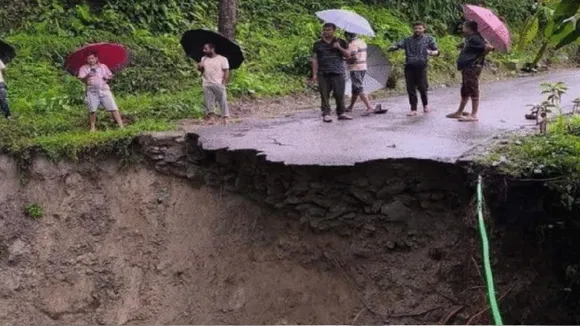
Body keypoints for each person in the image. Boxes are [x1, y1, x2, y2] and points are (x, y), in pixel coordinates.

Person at [446, 21, 494, 122]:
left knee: (473, 89)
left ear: (469, 28)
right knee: (465, 89)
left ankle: (473, 114)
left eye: (463, 27)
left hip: (472, 67)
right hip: (466, 67)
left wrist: (479, 57)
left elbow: (489, 47)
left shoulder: (476, 38)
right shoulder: (471, 38)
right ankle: (459, 111)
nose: (462, 29)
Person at [388, 22, 439, 116]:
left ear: (424, 29)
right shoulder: (407, 40)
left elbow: (436, 51)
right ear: (413, 29)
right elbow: (398, 45)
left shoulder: (429, 39)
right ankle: (413, 108)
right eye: (416, 28)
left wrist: (431, 53)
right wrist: (392, 47)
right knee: (410, 88)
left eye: (420, 28)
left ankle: (425, 105)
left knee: (422, 87)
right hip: (409, 66)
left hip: (421, 66)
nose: (417, 30)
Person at [311, 23, 353, 123]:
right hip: (323, 73)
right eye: (325, 30)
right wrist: (314, 74)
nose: (326, 32)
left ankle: (341, 113)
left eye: (329, 30)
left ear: (334, 31)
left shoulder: (341, 42)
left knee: (339, 94)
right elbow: (314, 59)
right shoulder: (317, 44)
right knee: (324, 95)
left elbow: (348, 55)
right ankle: (326, 114)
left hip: (338, 72)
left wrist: (339, 47)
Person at [78, 51, 124, 132]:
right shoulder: (84, 68)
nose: (90, 60)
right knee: (92, 109)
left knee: (113, 107)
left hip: (104, 89)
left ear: (96, 58)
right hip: (92, 90)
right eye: (88, 59)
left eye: (92, 58)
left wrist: (107, 77)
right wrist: (87, 75)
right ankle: (92, 127)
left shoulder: (103, 66)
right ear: (86, 60)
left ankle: (121, 125)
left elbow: (110, 75)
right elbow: (81, 78)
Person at [344, 32, 384, 116]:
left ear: (348, 36)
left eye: (346, 35)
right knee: (355, 88)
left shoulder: (352, 44)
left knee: (358, 87)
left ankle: (369, 107)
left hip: (355, 68)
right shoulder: (362, 42)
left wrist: (344, 59)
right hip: (363, 67)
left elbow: (354, 58)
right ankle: (351, 106)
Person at [197, 43, 230, 125]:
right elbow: (201, 71)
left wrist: (224, 83)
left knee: (222, 100)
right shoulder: (203, 58)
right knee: (209, 101)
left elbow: (226, 71)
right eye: (203, 49)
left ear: (212, 49)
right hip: (207, 83)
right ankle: (211, 117)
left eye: (206, 49)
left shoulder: (222, 59)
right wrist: (199, 67)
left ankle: (225, 117)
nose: (204, 50)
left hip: (218, 83)